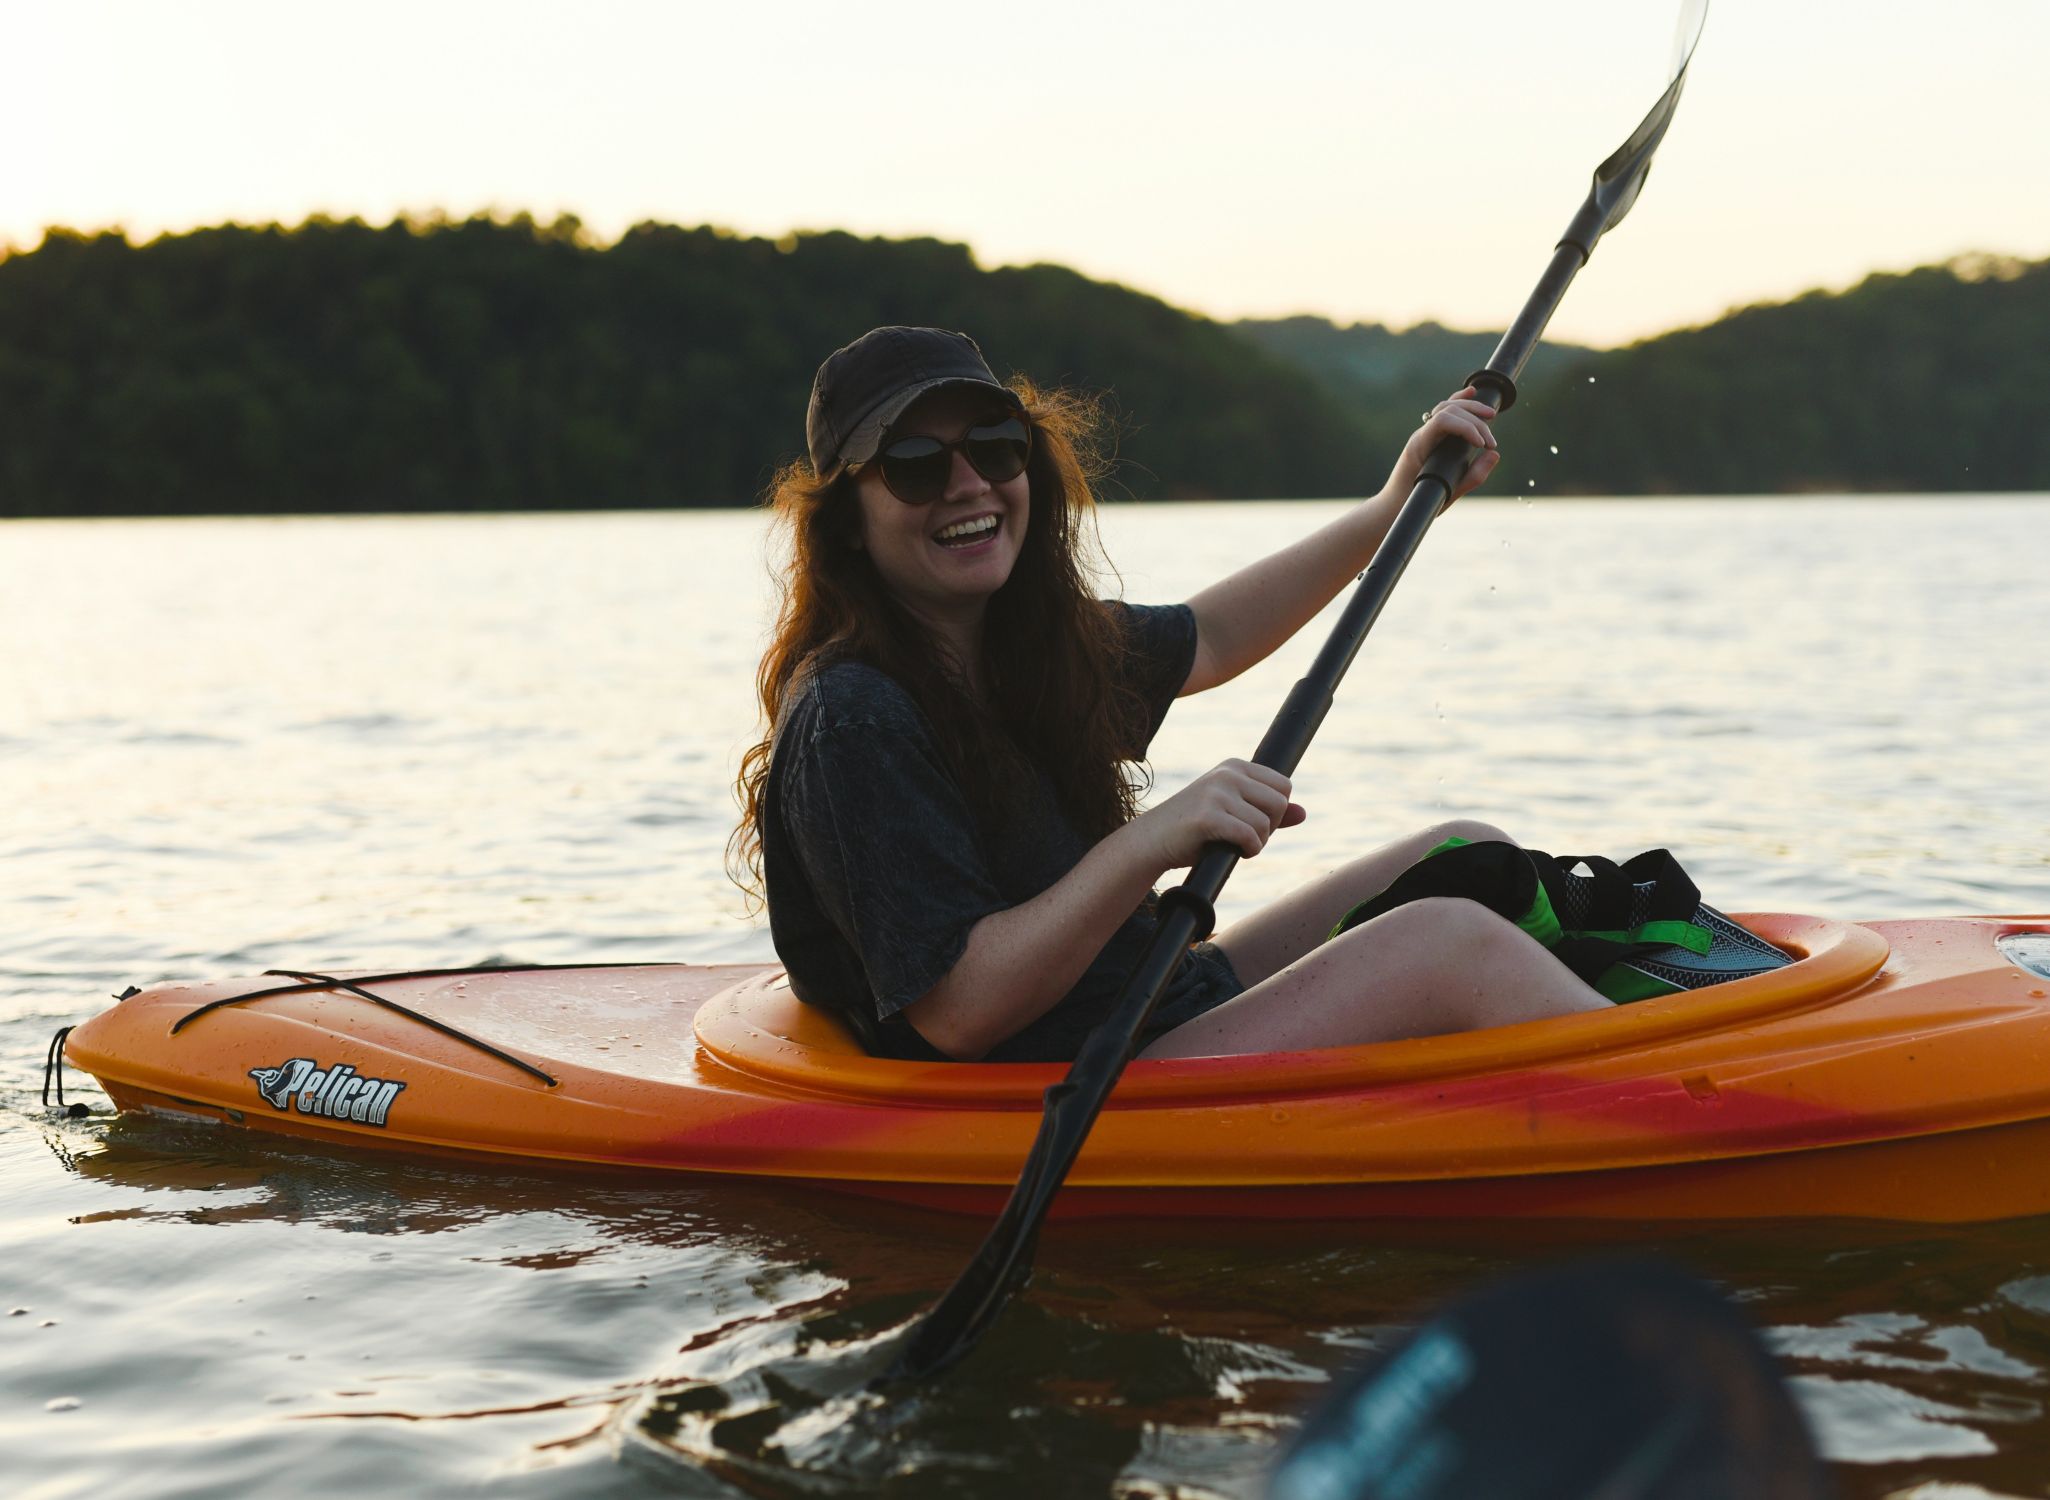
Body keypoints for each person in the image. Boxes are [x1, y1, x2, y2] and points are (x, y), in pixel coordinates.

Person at [732, 326, 1611, 1064]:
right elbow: (960, 1010)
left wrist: (1396, 502)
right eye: (916, 465)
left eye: (996, 448)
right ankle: (1695, 1103)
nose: (968, 484)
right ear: (846, 519)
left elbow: (1216, 635)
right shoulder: (853, 719)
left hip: (1149, 1000)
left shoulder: (1023, 645)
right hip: (1077, 1076)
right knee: (1446, 948)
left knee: (1466, 851)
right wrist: (1158, 838)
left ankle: (1619, 1044)